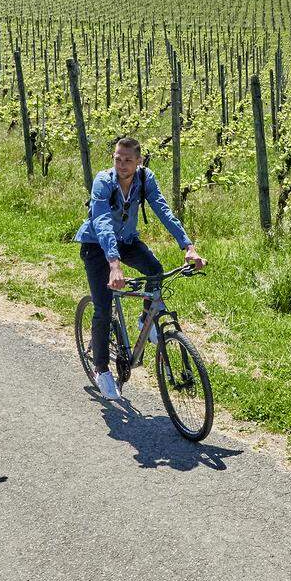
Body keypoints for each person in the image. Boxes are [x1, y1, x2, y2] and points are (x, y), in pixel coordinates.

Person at [77, 136, 203, 399]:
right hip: (96, 245)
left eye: (128, 160)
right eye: (117, 159)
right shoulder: (103, 182)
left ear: (139, 161)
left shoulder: (146, 179)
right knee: (102, 307)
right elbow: (101, 222)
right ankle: (101, 370)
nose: (121, 165)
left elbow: (164, 211)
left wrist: (188, 246)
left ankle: (146, 319)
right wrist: (114, 264)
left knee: (155, 270)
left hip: (126, 241)